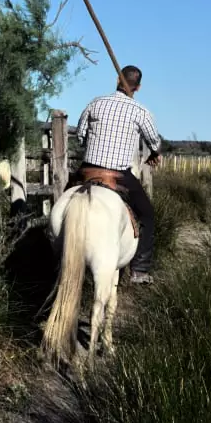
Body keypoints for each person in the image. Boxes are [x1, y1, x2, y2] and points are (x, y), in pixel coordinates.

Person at [74, 65, 162, 284]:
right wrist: (155, 153)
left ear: (117, 80)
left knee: (64, 201)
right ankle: (139, 271)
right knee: (147, 215)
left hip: (88, 170)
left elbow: (80, 135)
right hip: (118, 175)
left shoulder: (95, 103)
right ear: (138, 87)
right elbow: (154, 141)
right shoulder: (141, 111)